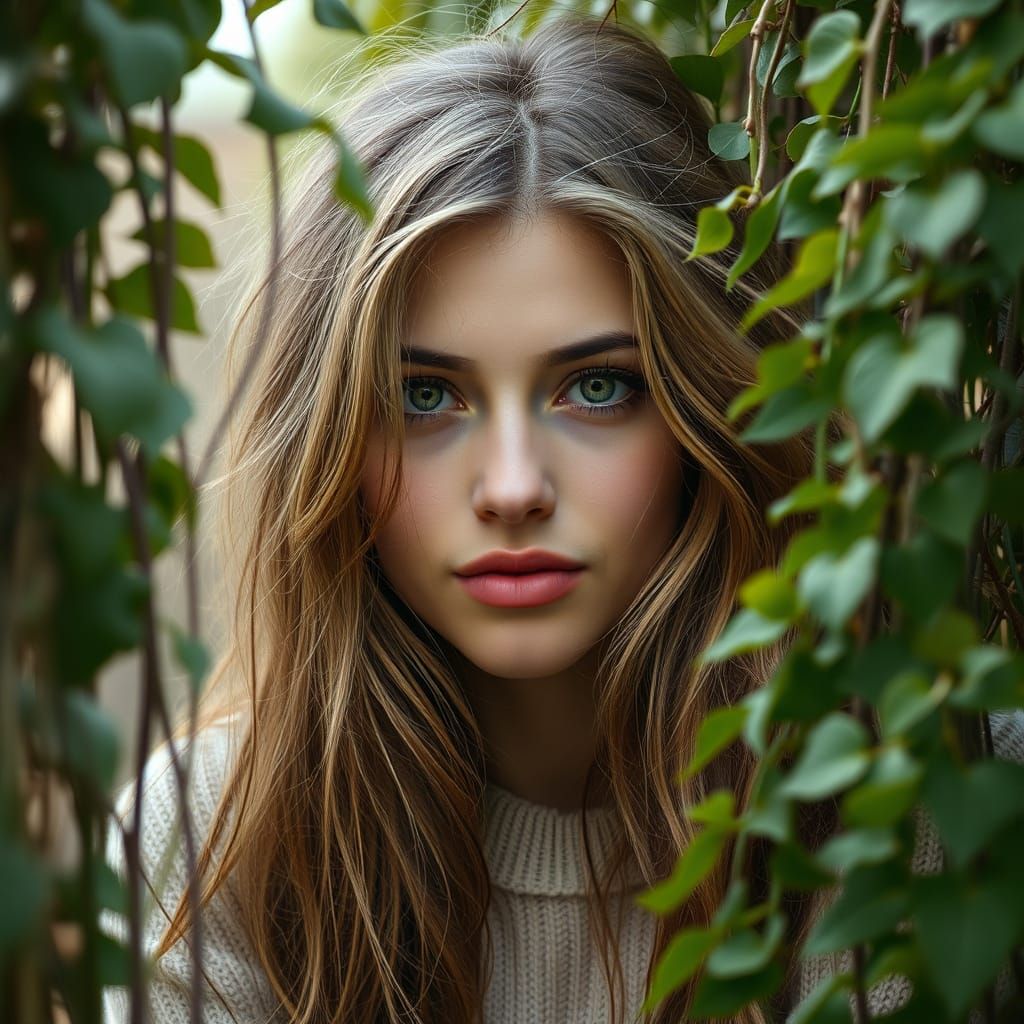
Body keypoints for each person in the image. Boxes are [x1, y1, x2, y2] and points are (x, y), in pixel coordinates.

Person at [99, 13, 1022, 1024]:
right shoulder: (211, 844)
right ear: (328, 441)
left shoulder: (935, 801)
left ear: (707, 410)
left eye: (594, 388)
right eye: (423, 398)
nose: (510, 486)